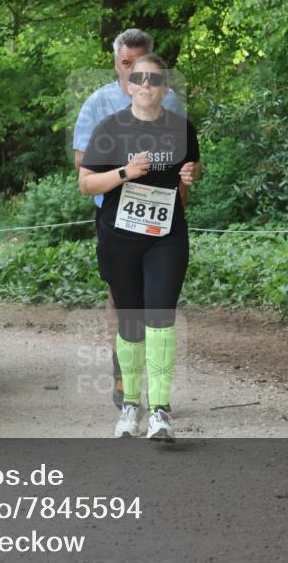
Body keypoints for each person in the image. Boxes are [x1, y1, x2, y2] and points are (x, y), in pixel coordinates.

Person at [79, 54, 201, 441]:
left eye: (155, 80)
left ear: (165, 88)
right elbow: (86, 184)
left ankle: (161, 412)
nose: (146, 85)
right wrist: (124, 173)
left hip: (166, 237)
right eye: (139, 79)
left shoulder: (182, 128)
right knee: (130, 321)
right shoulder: (109, 128)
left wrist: (192, 174)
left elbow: (191, 173)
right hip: (119, 239)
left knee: (161, 315)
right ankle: (131, 404)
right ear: (129, 85)